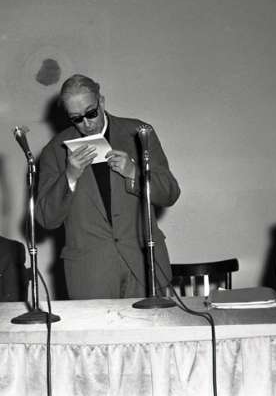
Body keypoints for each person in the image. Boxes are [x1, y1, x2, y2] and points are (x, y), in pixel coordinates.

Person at [36, 74, 180, 299]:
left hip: (144, 264)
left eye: (91, 113)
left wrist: (134, 172)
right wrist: (69, 176)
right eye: (76, 118)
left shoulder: (140, 133)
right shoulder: (54, 150)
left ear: (101, 102)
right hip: (90, 275)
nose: (87, 124)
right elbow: (46, 218)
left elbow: (170, 193)